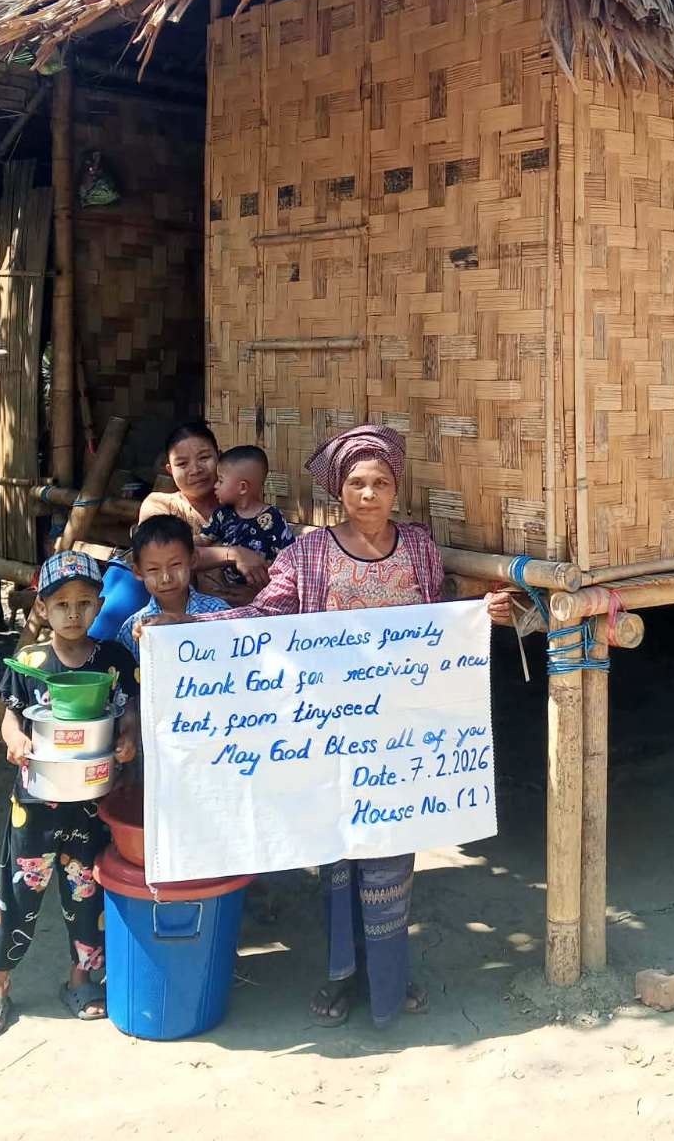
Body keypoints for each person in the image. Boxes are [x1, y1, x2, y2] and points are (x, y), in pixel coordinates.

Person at [204, 423, 515, 1031]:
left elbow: (437, 624)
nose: (368, 494)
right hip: (331, 736)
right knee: (339, 855)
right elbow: (264, 617)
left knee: (393, 855)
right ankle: (342, 974)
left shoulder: (418, 548)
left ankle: (389, 975)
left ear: (397, 489)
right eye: (356, 483)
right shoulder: (309, 556)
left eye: (380, 483)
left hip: (402, 736)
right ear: (338, 491)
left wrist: (481, 614)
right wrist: (189, 628)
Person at [0, 552, 138, 1038]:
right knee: (18, 890)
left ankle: (79, 980)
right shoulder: (29, 661)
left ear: (99, 604)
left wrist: (129, 739)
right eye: (61, 604)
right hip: (35, 803)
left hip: (93, 803)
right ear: (42, 607)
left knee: (87, 891)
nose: (73, 613)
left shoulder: (113, 660)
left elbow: (127, 713)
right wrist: (15, 740)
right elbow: (10, 716)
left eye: (84, 603)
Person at [140, 420, 270, 603]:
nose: (195, 470)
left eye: (204, 458)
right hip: (185, 615)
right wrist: (234, 554)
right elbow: (165, 556)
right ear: (170, 469)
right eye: (182, 464)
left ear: (219, 457)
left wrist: (260, 597)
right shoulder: (160, 506)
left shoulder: (246, 507)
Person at [117, 513, 230, 658]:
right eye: (153, 569)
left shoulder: (218, 611)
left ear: (193, 560)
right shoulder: (133, 629)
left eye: (175, 564)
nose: (166, 578)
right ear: (138, 572)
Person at [195, 444, 293, 592]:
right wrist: (181, 542)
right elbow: (203, 539)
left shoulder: (273, 518)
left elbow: (289, 556)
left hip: (264, 592)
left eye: (220, 480)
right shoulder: (222, 514)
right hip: (227, 589)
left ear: (242, 487)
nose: (215, 486)